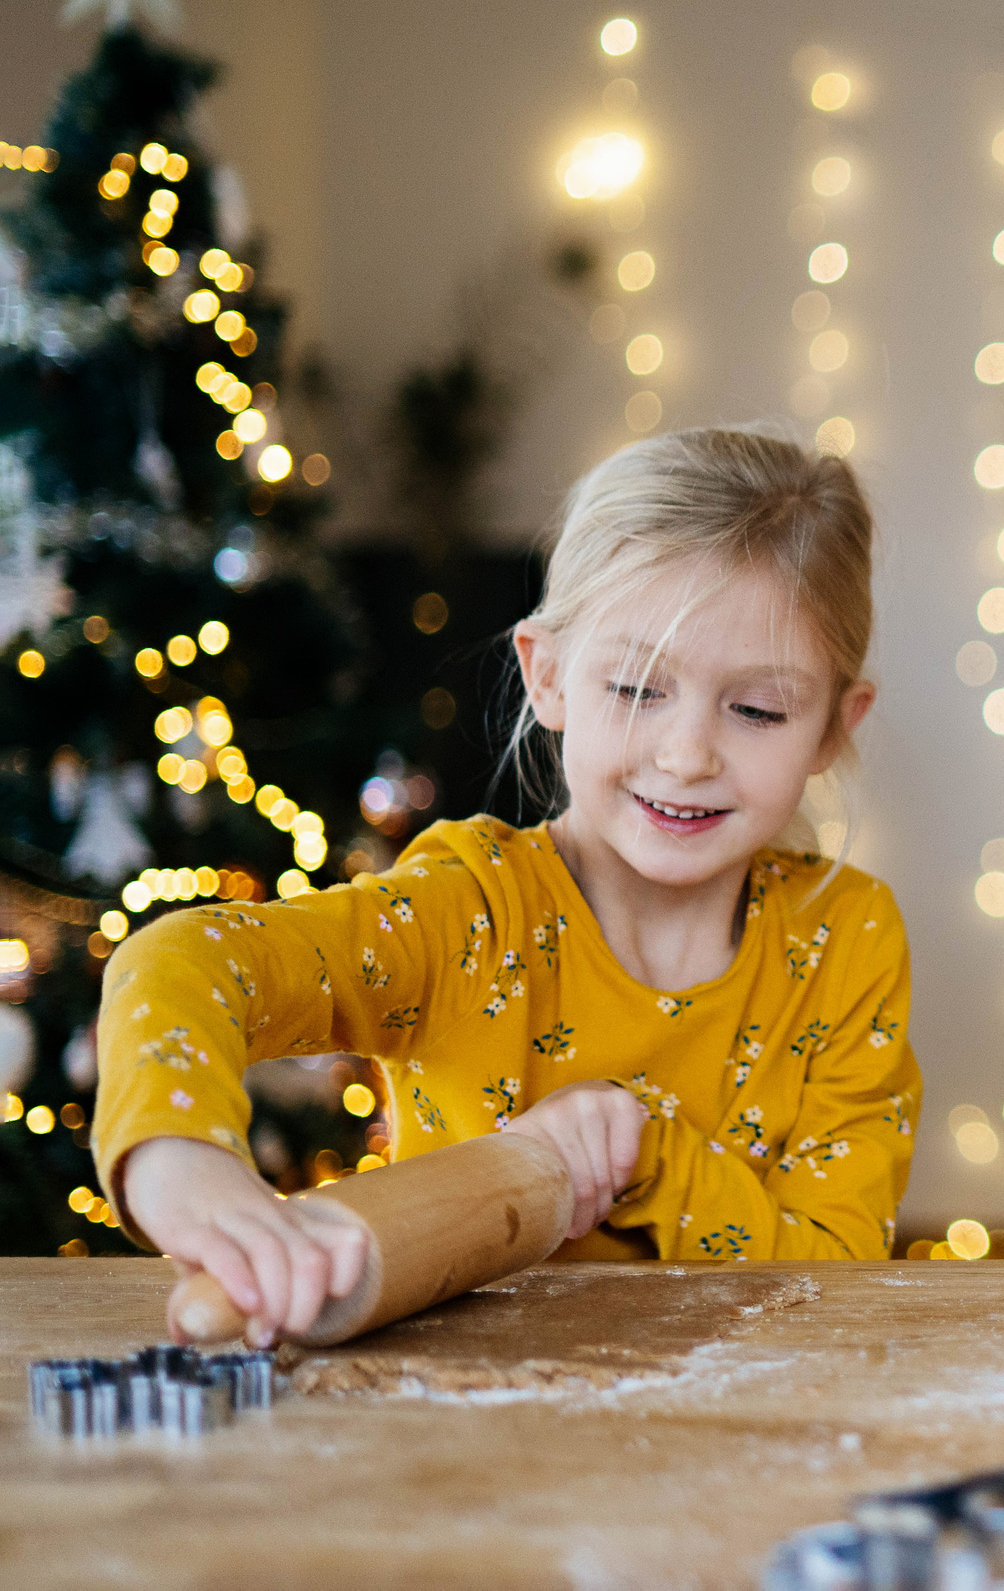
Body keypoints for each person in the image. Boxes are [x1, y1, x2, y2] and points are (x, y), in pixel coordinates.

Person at [95, 428, 919, 1346]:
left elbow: (837, 1274)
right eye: (637, 687)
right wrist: (178, 1157)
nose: (688, 754)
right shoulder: (470, 911)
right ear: (549, 673)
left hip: (742, 1441)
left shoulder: (843, 940)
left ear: (834, 730)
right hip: (454, 1423)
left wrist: (643, 1149)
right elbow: (181, 960)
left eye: (758, 708)